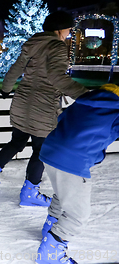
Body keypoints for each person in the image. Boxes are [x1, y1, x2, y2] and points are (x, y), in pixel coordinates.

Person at [0, 11, 89, 207]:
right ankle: (30, 193)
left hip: (22, 101)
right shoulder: (57, 46)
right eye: (68, 29)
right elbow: (57, 77)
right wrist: (86, 96)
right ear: (59, 29)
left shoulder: (33, 43)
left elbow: (16, 68)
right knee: (41, 150)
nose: (69, 33)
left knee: (17, 141)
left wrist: (6, 88)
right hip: (43, 105)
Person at [35, 84, 119, 264]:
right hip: (73, 159)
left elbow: (63, 119)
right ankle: (50, 253)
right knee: (78, 215)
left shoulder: (82, 102)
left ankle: (49, 228)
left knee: (61, 191)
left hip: (50, 150)